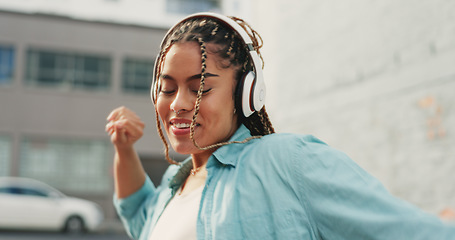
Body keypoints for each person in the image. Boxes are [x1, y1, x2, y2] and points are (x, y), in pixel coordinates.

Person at [105, 12, 455, 240]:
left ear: (246, 93)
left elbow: (402, 231)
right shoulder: (173, 185)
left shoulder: (286, 161)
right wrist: (123, 150)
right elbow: (138, 214)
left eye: (200, 88)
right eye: (167, 88)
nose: (179, 103)